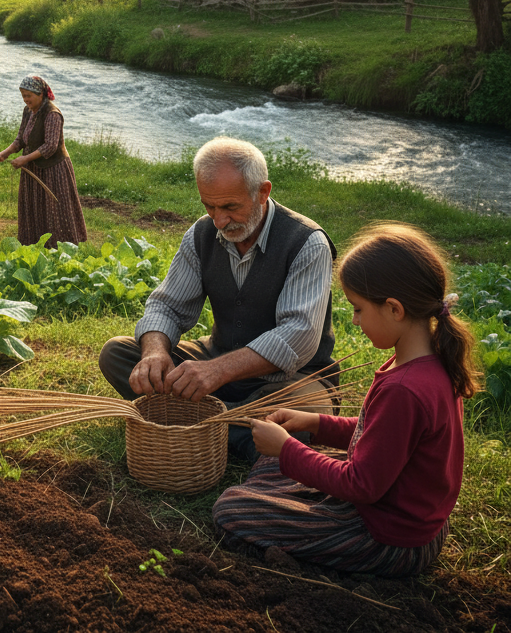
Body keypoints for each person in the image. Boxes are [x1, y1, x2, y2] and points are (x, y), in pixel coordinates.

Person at [212, 224, 478, 577]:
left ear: (394, 309)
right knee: (270, 463)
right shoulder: (427, 361)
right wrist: (315, 424)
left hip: (387, 538)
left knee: (231, 508)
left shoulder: (405, 388)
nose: (354, 321)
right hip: (401, 513)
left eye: (358, 309)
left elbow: (361, 485)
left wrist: (288, 450)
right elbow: (382, 436)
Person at [99, 137, 336, 463]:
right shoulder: (202, 234)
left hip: (291, 379)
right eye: (209, 206)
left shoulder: (307, 243)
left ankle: (196, 419)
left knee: (302, 414)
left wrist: (218, 371)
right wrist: (155, 352)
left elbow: (298, 337)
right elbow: (167, 305)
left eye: (230, 207)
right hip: (217, 360)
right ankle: (235, 428)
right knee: (117, 353)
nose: (219, 221)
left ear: (262, 192)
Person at [0, 75, 87, 249]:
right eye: (23, 96)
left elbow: (50, 146)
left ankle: (59, 246)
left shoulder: (52, 114)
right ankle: (32, 244)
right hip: (32, 168)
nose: (25, 99)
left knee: (53, 209)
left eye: (28, 95)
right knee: (33, 207)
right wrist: (6, 152)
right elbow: (21, 139)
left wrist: (25, 159)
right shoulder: (28, 111)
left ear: (40, 94)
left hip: (53, 170)